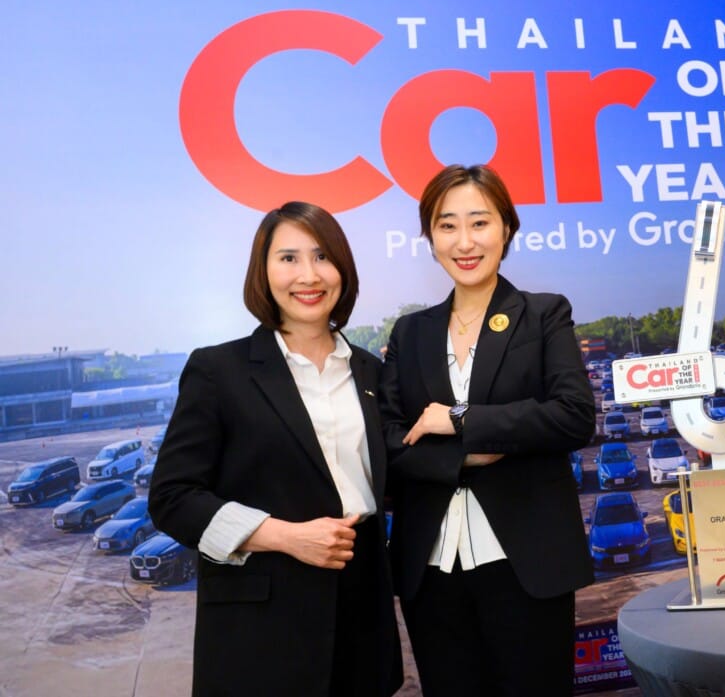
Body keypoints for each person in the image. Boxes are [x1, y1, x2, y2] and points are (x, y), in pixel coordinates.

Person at [148, 202, 403, 697]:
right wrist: (284, 536)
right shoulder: (218, 371)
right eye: (288, 258)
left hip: (362, 618)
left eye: (322, 256)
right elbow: (172, 498)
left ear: (343, 270)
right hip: (260, 630)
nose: (308, 275)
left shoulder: (374, 372)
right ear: (263, 273)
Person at [379, 164, 594, 696]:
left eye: (479, 222)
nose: (465, 241)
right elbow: (390, 441)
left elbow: (572, 415)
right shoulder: (410, 333)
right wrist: (471, 454)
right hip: (431, 567)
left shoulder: (543, 315)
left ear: (506, 228)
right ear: (430, 237)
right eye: (447, 225)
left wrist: (460, 420)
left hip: (526, 562)